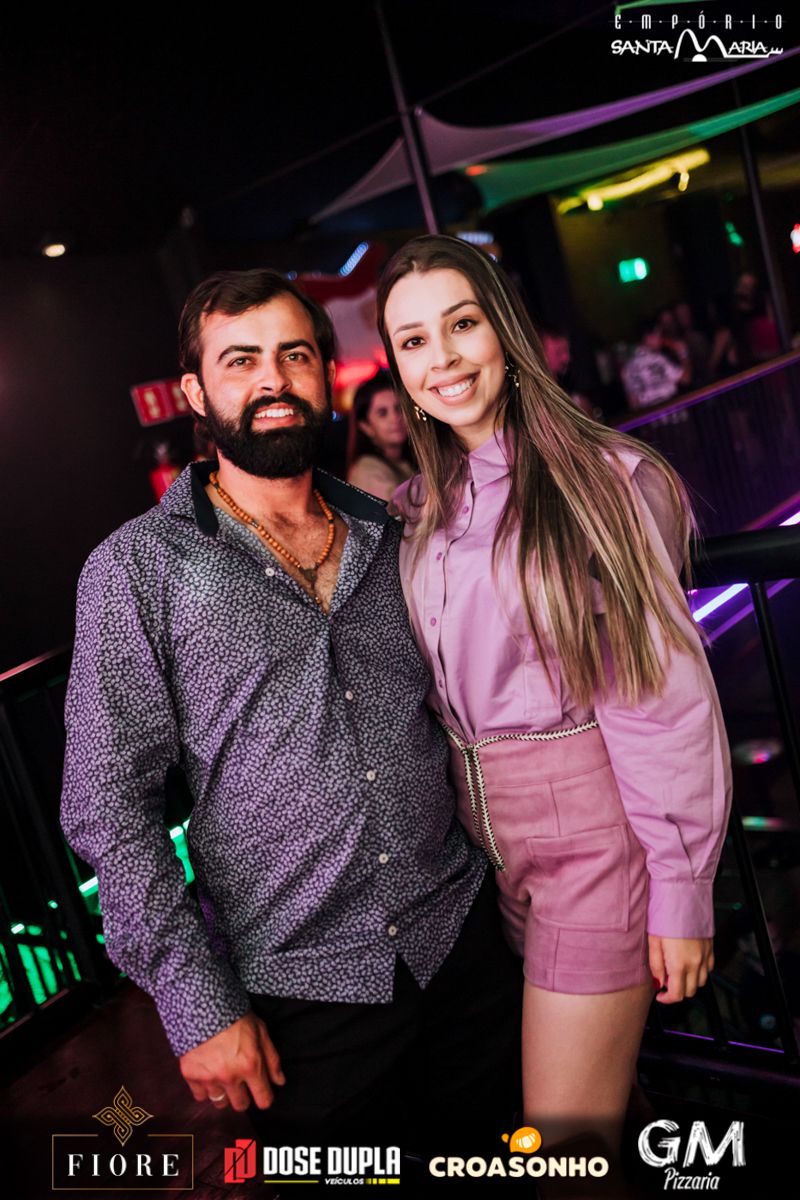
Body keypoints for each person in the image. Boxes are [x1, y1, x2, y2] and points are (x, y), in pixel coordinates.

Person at [60, 268, 521, 1158]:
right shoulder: (136, 571)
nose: (272, 379)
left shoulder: (393, 531)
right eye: (241, 361)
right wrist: (196, 1005)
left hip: (463, 948)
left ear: (323, 372)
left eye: (294, 355)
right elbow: (107, 806)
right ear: (196, 392)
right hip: (302, 999)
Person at [377, 236, 732, 1187]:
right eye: (413, 341)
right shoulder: (421, 510)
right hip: (493, 861)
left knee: (562, 1150)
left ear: (505, 329)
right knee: (602, 1123)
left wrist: (682, 889)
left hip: (594, 848)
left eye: (462, 324)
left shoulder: (602, 482)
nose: (443, 358)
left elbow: (660, 698)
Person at [346, 369, 414, 500]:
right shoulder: (367, 470)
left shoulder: (406, 462)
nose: (395, 418)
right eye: (383, 413)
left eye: (399, 408)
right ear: (366, 426)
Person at [621, 315, 688, 410]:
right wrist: (683, 353)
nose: (660, 340)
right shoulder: (658, 359)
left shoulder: (627, 368)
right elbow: (685, 378)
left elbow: (633, 403)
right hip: (672, 412)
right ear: (648, 337)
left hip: (649, 416)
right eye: (658, 335)